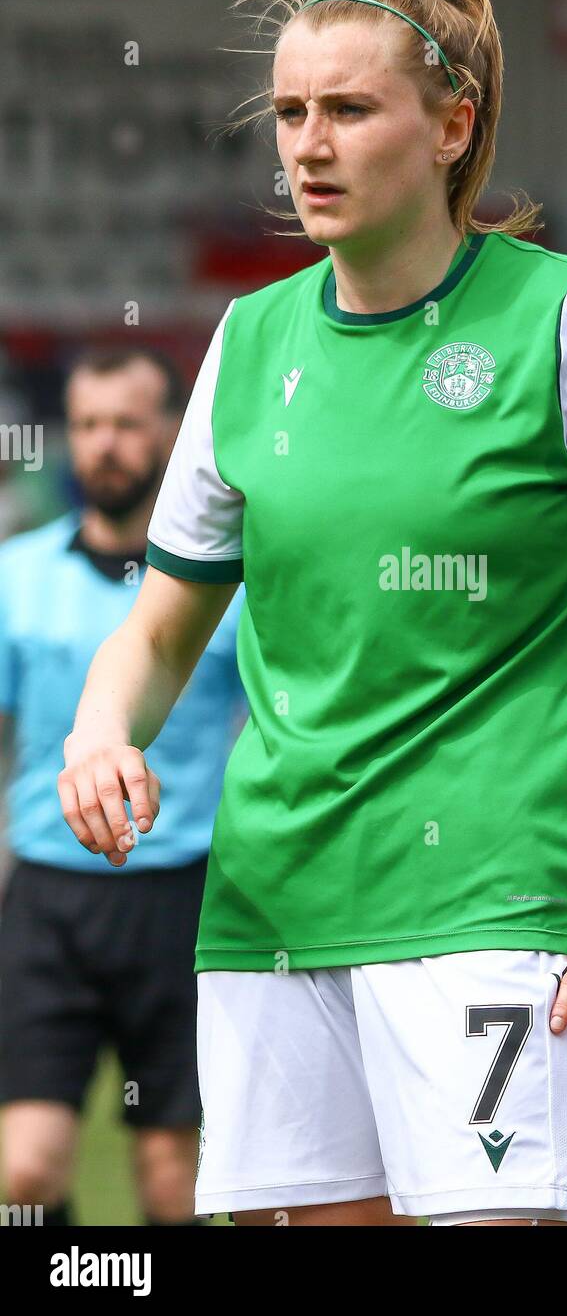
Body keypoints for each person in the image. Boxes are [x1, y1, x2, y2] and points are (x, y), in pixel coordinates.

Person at [56, 0, 567, 1228]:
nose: (307, 143)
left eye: (349, 109)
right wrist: (96, 727)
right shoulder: (248, 341)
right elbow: (165, 620)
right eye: (290, 112)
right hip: (270, 914)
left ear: (452, 125)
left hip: (488, 908)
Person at [0, 347, 246, 1226]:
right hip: (46, 898)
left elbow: (284, 729)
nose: (105, 445)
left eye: (128, 424)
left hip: (183, 897)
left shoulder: (223, 592)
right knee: (24, 1173)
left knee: (172, 1183)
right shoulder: (15, 575)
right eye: (89, 425)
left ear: (171, 434)